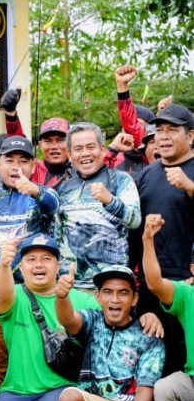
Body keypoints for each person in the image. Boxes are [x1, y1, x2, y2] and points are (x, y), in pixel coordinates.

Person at [0, 235, 99, 401]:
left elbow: (113, 322)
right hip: (17, 391)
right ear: (21, 267)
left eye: (46, 259)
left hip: (60, 389)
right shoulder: (14, 296)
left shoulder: (81, 299)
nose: (38, 264)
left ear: (58, 266)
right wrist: (4, 264)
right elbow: (2, 294)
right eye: (31, 259)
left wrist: (148, 316)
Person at [55, 263, 167, 401]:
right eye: (108, 292)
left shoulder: (148, 335)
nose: (115, 299)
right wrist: (62, 296)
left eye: (123, 293)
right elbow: (68, 320)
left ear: (134, 299)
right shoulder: (92, 321)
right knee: (68, 398)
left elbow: (145, 390)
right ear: (97, 296)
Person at [0, 135, 60, 395]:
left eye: (23, 161)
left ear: (33, 166)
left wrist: (35, 190)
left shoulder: (43, 195)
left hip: (32, 294)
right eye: (10, 160)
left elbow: (54, 207)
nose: (16, 167)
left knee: (35, 358)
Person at [132, 104, 194, 374]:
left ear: (190, 136)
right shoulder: (147, 174)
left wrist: (190, 187)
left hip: (187, 286)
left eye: (172, 130)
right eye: (159, 130)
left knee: (187, 364)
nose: (164, 136)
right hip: (151, 284)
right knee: (156, 366)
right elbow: (133, 231)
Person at [56, 123, 141, 289]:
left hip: (110, 286)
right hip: (71, 286)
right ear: (70, 155)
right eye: (78, 149)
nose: (85, 153)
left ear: (102, 150)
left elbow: (135, 220)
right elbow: (57, 234)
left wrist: (110, 201)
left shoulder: (120, 180)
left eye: (91, 147)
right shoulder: (65, 187)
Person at [144, 215, 194, 401]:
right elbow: (154, 283)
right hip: (191, 383)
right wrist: (148, 239)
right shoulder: (188, 295)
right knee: (165, 387)